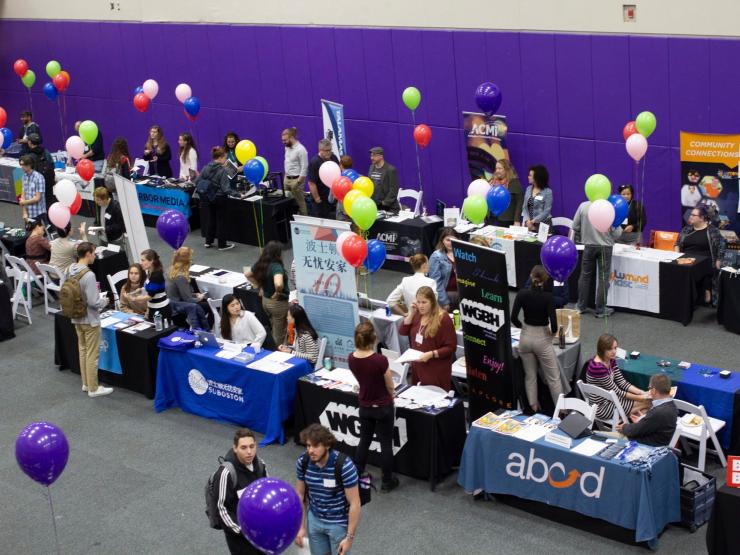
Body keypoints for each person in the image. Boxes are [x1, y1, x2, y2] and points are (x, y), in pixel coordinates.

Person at [348, 322, 399, 493]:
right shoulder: (380, 360)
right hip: (383, 407)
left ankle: (356, 472)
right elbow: (390, 384)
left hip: (365, 406)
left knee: (365, 439)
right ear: (374, 338)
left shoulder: (351, 358)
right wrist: (391, 395)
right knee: (385, 444)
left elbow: (361, 379)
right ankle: (387, 481)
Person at [294, 424, 361, 555]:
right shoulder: (303, 462)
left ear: (327, 445)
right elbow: (300, 495)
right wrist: (300, 526)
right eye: (308, 446)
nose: (311, 451)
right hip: (314, 520)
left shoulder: (344, 466)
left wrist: (349, 538)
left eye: (315, 446)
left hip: (337, 524)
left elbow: (355, 503)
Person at [511, 265, 562, 412]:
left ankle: (533, 406)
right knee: (553, 378)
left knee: (530, 375)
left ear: (530, 276)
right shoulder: (548, 297)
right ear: (545, 280)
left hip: (525, 337)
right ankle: (561, 412)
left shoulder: (521, 294)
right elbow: (554, 326)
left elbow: (513, 317)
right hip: (542, 338)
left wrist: (523, 328)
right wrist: (550, 335)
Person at [68, 242, 113, 397]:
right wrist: (105, 301)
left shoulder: (70, 269)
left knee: (83, 350)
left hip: (76, 317)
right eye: (93, 253)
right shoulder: (89, 275)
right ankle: (94, 388)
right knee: (92, 354)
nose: (95, 255)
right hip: (90, 319)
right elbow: (94, 302)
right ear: (87, 254)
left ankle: (86, 383)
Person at [215, 428, 268, 555]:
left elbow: (267, 494)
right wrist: (242, 531)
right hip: (240, 539)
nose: (249, 452)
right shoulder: (226, 473)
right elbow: (221, 508)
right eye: (243, 448)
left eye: (252, 446)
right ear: (235, 448)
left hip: (261, 532)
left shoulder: (261, 465)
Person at [399, 286, 456, 391]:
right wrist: (411, 313)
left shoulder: (443, 319)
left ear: (432, 302)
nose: (420, 306)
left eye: (424, 302)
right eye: (418, 302)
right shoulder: (417, 314)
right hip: (418, 367)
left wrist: (431, 354)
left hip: (435, 369)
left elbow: (451, 347)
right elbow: (402, 331)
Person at [573, 200, 622, 318]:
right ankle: (600, 309)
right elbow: (617, 234)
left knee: (585, 276)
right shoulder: (609, 208)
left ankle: (581, 306)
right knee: (603, 278)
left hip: (589, 246)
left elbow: (575, 226)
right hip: (605, 247)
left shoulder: (583, 206)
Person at [586, 334, 651, 422]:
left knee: (644, 409)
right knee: (649, 403)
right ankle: (638, 428)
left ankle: (638, 427)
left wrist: (641, 392)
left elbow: (622, 382)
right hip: (602, 407)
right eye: (610, 349)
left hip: (611, 400)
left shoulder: (610, 359)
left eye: (615, 348)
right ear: (602, 349)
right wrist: (641, 397)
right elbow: (617, 392)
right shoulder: (597, 368)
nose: (614, 351)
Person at [675, 205, 725, 305]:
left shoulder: (712, 231)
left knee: (702, 266)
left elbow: (721, 246)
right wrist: (677, 256)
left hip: (705, 260)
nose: (690, 216)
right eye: (691, 214)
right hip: (687, 259)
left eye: (694, 215)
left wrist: (718, 261)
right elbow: (677, 244)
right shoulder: (686, 229)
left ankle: (707, 290)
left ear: (702, 218)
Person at [615, 374, 678, 446]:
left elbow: (635, 431)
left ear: (654, 391)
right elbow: (651, 424)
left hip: (644, 446)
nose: (649, 391)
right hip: (654, 441)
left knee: (602, 437)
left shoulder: (658, 412)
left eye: (649, 388)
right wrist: (643, 420)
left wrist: (624, 427)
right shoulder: (672, 406)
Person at [247, 241, 289, 346]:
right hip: (277, 303)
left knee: (273, 325)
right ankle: (276, 353)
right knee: (279, 333)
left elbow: (247, 274)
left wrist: (259, 287)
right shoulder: (276, 266)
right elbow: (278, 283)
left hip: (265, 301)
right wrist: (278, 292)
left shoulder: (261, 264)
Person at [166, 247, 211, 330]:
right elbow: (188, 299)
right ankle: (207, 329)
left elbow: (181, 293)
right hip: (179, 309)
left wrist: (194, 294)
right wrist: (199, 298)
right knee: (210, 306)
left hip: (173, 305)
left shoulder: (170, 270)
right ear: (187, 261)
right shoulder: (181, 277)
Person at [200, 146, 235, 251]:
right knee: (221, 221)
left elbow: (201, 180)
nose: (226, 160)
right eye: (225, 158)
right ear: (220, 158)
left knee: (211, 218)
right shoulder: (222, 171)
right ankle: (222, 245)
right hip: (220, 198)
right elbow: (226, 189)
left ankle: (208, 242)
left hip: (209, 196)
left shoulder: (205, 167)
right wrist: (238, 194)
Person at [428, 227, 459, 311]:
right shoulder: (436, 256)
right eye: (448, 240)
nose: (451, 243)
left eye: (454, 240)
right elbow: (436, 281)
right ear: (442, 240)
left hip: (462, 294)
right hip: (446, 295)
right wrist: (444, 302)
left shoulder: (463, 254)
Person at [307, 138, 339, 218]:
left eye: (330, 150)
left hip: (333, 197)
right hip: (321, 199)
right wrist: (317, 198)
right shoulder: (314, 162)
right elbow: (311, 183)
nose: (329, 152)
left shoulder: (334, 158)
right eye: (326, 150)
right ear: (320, 150)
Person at [488, 158, 523, 228]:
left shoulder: (514, 183)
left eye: (500, 168)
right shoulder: (493, 183)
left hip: (509, 221)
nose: (497, 171)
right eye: (496, 168)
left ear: (507, 169)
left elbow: (520, 203)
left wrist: (517, 221)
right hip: (494, 220)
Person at [282, 127, 309, 216]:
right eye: (283, 140)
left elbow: (304, 168)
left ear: (292, 138)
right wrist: (285, 177)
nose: (283, 142)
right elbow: (288, 162)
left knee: (300, 203)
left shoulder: (301, 150)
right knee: (286, 202)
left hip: (296, 180)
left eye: (285, 140)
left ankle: (304, 221)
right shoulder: (287, 147)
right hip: (287, 179)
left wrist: (298, 182)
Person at [26, 133, 55, 210]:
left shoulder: (29, 156)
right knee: (49, 201)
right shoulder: (46, 151)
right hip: (48, 181)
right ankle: (51, 218)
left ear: (30, 142)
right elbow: (52, 164)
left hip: (37, 183)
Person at [140, 249, 171, 321]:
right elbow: (149, 287)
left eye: (143, 260)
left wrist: (134, 299)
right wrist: (139, 290)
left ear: (151, 261)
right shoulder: (149, 272)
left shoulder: (156, 275)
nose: (141, 263)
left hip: (161, 310)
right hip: (152, 307)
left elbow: (150, 296)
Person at [367, 146, 400, 213]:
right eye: (371, 156)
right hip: (374, 206)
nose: (371, 158)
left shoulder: (390, 169)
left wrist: (384, 203)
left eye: (374, 156)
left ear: (381, 156)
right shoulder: (371, 167)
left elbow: (393, 189)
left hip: (388, 207)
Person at [521, 164, 553, 231]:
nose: (528, 177)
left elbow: (546, 211)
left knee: (541, 242)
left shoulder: (548, 192)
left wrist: (534, 221)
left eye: (530, 175)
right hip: (529, 224)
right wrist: (527, 220)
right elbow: (524, 207)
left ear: (537, 177)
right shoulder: (528, 189)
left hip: (543, 224)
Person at [18, 154, 46, 223]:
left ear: (29, 165)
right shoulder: (24, 176)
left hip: (38, 213)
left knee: (39, 233)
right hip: (28, 214)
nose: (21, 167)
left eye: (23, 165)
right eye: (20, 165)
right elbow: (23, 196)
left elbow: (37, 198)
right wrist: (24, 212)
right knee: (28, 233)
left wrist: (24, 202)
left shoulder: (39, 177)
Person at [334, 155, 353, 221]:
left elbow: (331, 199)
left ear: (341, 165)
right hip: (353, 210)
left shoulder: (338, 180)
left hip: (341, 212)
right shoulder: (357, 177)